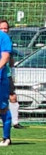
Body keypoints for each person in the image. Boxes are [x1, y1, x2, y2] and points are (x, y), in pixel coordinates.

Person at [0, 19, 12, 147]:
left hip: (1, 78)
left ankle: (6, 137)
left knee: (2, 107)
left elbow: (5, 56)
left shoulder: (3, 37)